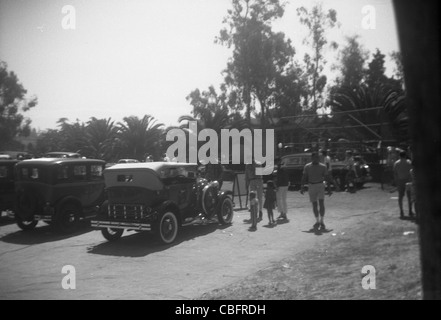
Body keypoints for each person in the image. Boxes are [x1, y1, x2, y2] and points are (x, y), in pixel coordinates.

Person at [300, 152, 332, 231]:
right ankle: (317, 220)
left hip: (320, 185)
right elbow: (304, 176)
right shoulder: (307, 166)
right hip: (311, 185)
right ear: (312, 158)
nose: (316, 159)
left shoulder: (323, 167)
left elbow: (326, 177)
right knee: (314, 204)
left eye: (317, 158)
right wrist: (302, 186)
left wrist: (329, 188)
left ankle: (322, 220)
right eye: (314, 158)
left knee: (321, 203)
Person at [393, 150, 413, 218]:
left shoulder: (396, 163)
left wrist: (396, 181)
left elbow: (395, 173)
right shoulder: (408, 162)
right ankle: (410, 211)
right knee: (409, 196)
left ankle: (401, 211)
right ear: (405, 155)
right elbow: (411, 171)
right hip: (408, 180)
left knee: (400, 197)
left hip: (400, 180)